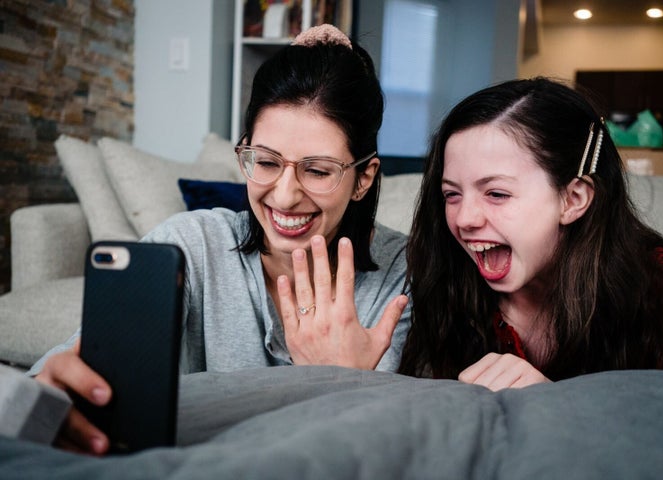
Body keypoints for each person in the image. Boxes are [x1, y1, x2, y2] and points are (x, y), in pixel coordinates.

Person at [32, 24, 411, 454]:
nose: (284, 196)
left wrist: (339, 379)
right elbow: (55, 382)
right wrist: (49, 396)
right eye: (265, 162)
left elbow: (395, 447)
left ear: (363, 178)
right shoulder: (191, 247)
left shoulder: (402, 275)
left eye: (318, 170)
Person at [398, 77, 663, 389]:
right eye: (452, 194)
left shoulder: (662, 285)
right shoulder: (444, 277)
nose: (464, 218)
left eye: (496, 194)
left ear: (573, 199)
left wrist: (554, 407)